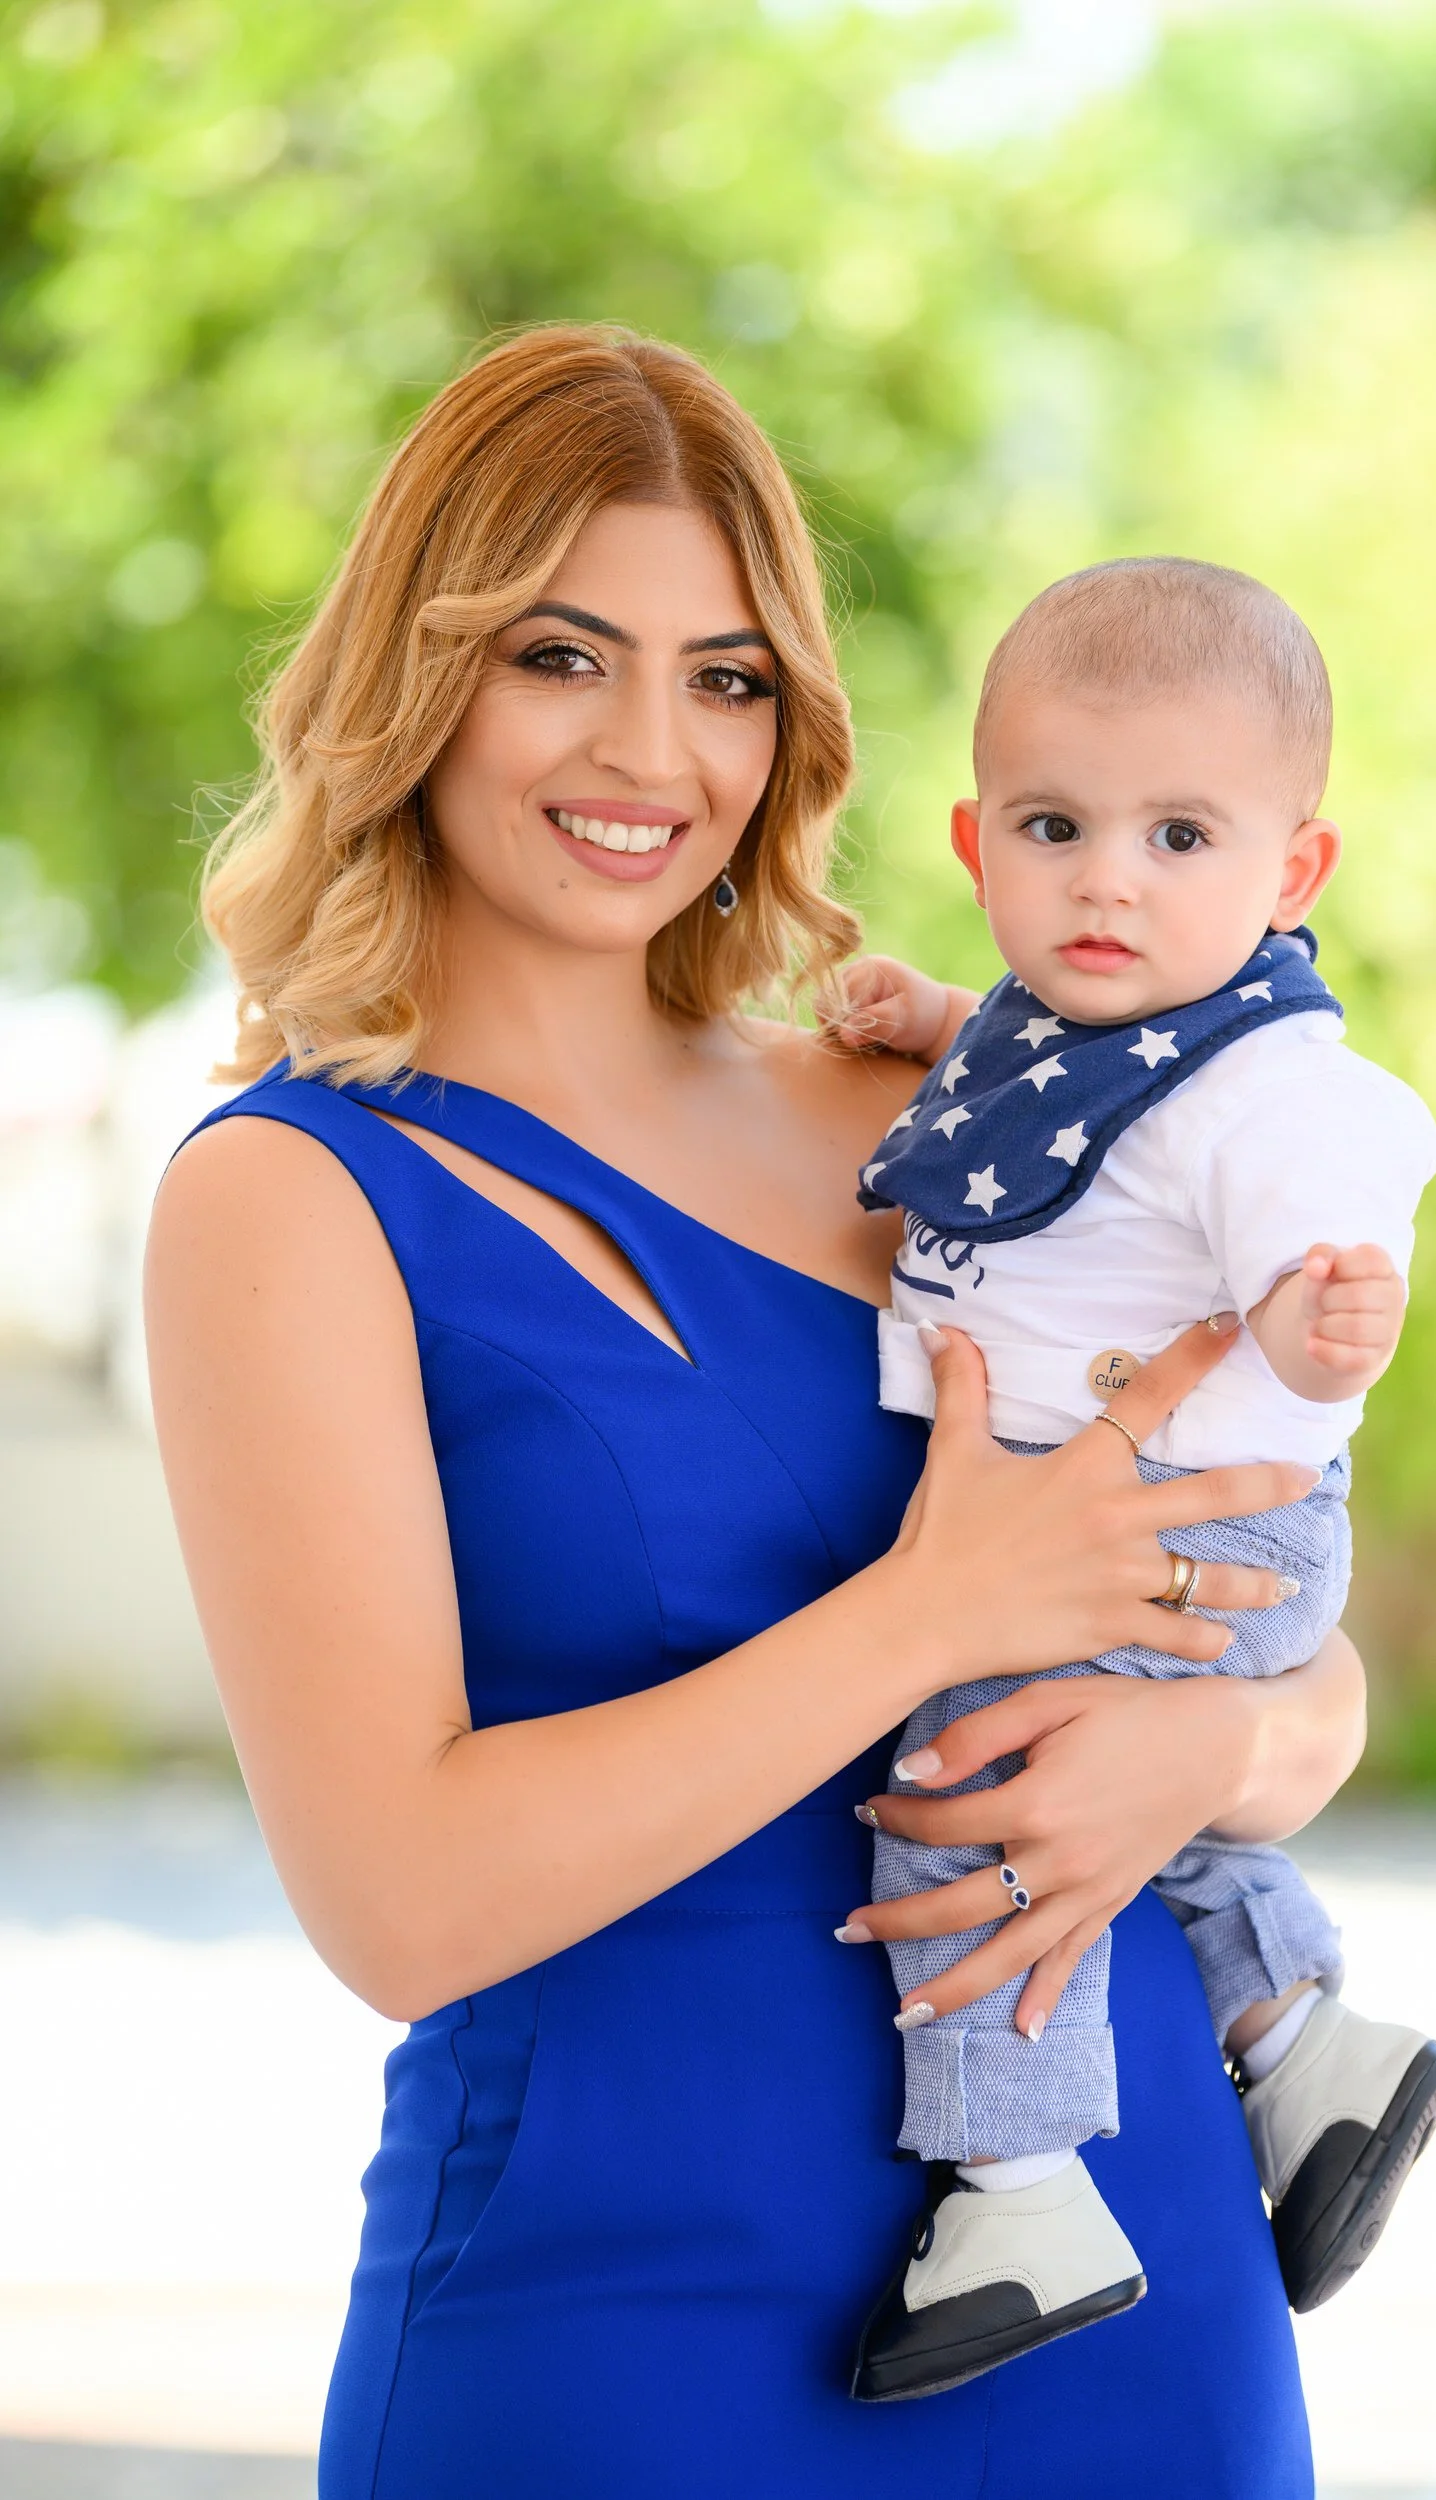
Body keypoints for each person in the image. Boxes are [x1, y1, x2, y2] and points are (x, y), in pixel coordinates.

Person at [146, 327, 1369, 2499]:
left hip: (1128, 2278)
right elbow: (399, 1899)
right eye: (558, 653)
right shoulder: (290, 1195)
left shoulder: (942, 1115)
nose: (649, 746)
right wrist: (915, 1619)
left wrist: (1222, 1743)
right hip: (615, 2333)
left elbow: (1285, 1609)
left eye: (723, 675)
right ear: (414, 680)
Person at [835, 559, 1436, 2402]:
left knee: (975, 1792)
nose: (1108, 877)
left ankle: (1019, 2194)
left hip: (1184, 1519)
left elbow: (1302, 1227)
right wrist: (938, 1019)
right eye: (1055, 826)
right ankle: (1304, 2045)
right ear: (974, 840)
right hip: (1131, 1516)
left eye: (1178, 833)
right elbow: (1072, 1102)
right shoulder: (1086, 1023)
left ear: (1291, 874)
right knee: (1145, 1810)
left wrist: (1320, 1319)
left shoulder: (1279, 1090)